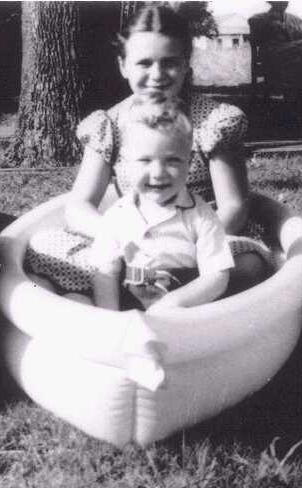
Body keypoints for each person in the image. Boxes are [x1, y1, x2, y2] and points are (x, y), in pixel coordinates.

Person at [26, 5, 271, 302]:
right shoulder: (109, 124)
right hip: (130, 243)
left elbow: (234, 207)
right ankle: (124, 294)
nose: (157, 75)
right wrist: (122, 240)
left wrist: (180, 246)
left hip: (198, 241)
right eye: (144, 63)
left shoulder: (213, 120)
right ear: (123, 65)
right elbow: (78, 205)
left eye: (169, 63)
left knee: (247, 262)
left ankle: (155, 296)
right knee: (44, 244)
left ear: (186, 64)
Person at [89, 101, 233, 312]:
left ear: (189, 161)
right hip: (130, 306)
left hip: (186, 307)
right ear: (125, 163)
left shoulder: (200, 216)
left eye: (173, 160)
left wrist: (174, 303)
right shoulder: (118, 216)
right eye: (145, 160)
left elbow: (217, 276)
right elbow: (105, 272)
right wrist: (111, 318)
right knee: (78, 300)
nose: (158, 172)